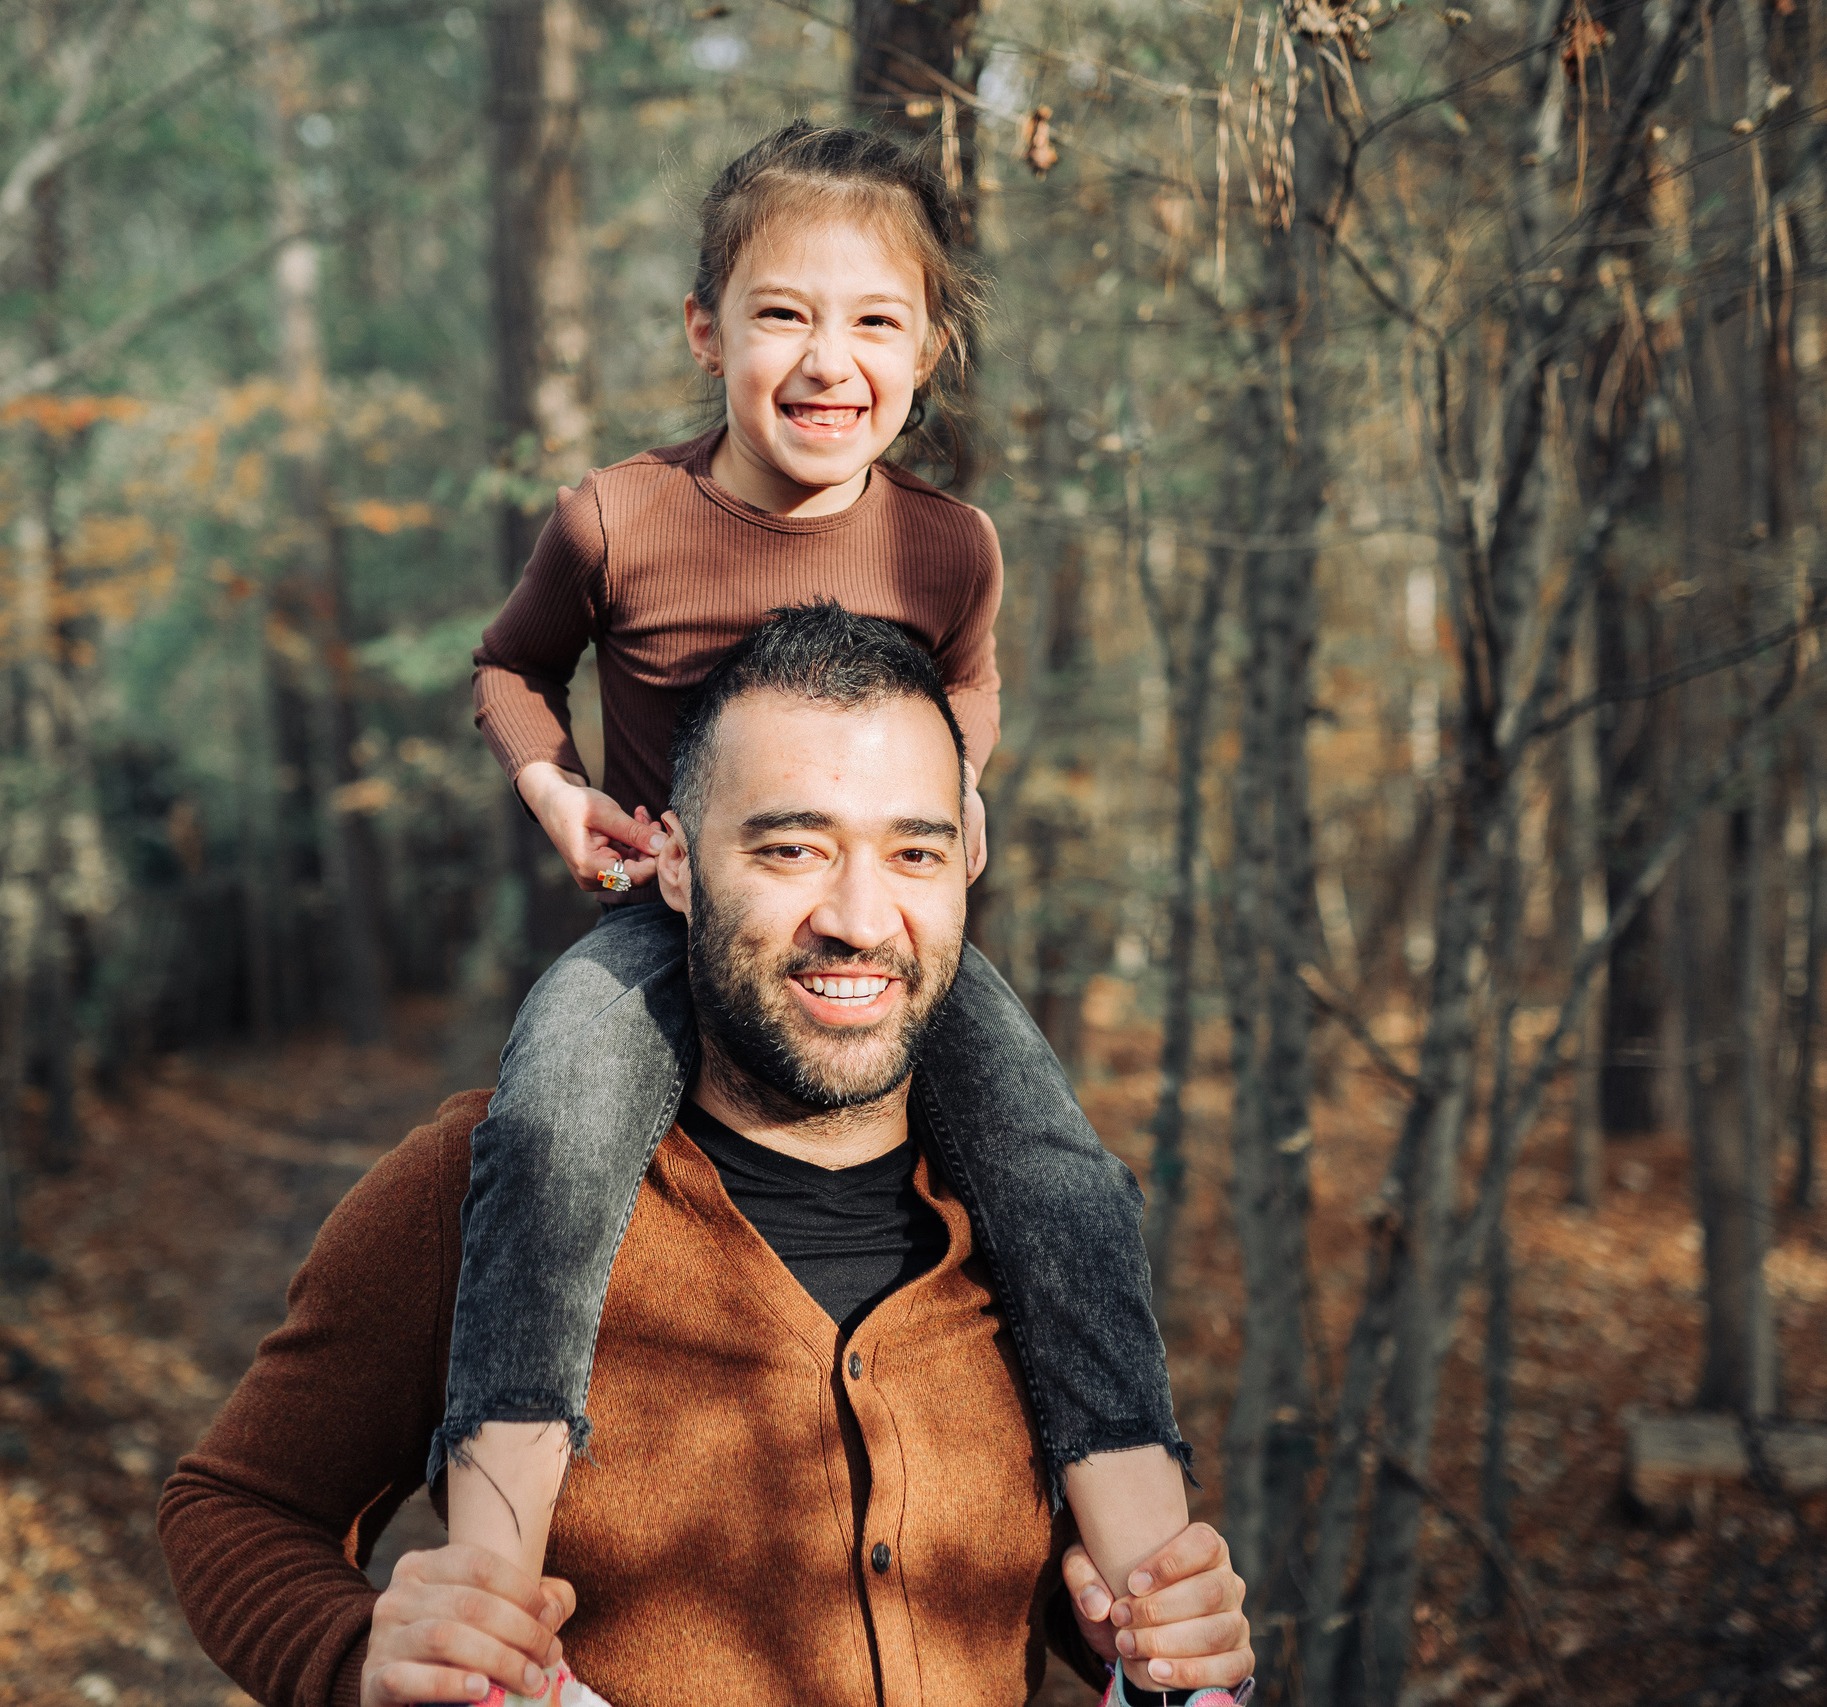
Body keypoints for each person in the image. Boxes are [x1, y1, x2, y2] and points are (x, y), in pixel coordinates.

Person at [160, 604, 1254, 1706]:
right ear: (675, 863)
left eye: (912, 851)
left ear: (966, 860)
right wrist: (362, 1663)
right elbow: (234, 1507)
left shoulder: (1039, 1226)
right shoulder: (494, 1185)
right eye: (791, 848)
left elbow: (1054, 1588)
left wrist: (1150, 1631)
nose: (860, 918)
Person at [459, 122, 1195, 1700]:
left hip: (885, 942)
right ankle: (491, 1606)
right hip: (679, 924)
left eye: (876, 321)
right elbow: (510, 667)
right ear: (705, 329)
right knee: (548, 1126)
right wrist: (558, 788)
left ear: (929, 347)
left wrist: (960, 789)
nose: (828, 360)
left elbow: (973, 680)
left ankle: (1160, 1613)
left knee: (1063, 1171)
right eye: (784, 313)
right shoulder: (615, 520)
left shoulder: (949, 543)